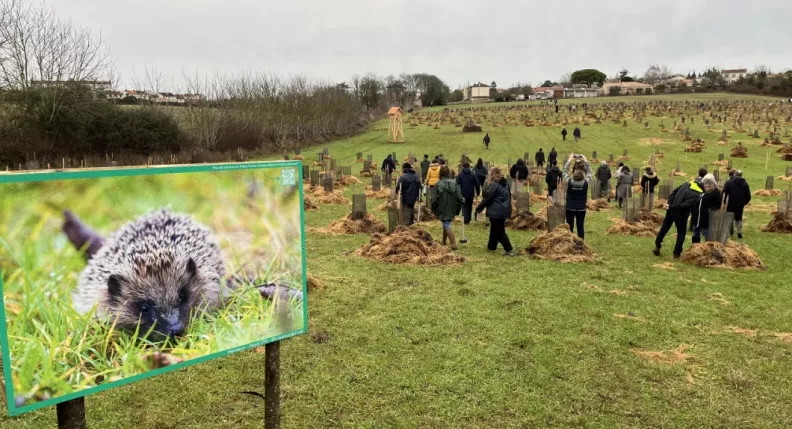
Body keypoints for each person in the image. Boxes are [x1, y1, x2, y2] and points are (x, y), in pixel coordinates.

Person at [652, 178, 704, 258]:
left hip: (671, 210)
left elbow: (674, 192)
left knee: (664, 228)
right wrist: (671, 206)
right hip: (681, 214)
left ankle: (657, 245)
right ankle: (676, 253)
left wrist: (669, 204)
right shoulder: (698, 194)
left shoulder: (686, 184)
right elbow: (686, 205)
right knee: (681, 233)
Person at [476, 167, 515, 256]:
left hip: (496, 210)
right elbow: (508, 197)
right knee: (494, 228)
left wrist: (479, 208)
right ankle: (492, 246)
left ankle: (508, 249)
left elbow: (488, 198)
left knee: (499, 231)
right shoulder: (505, 183)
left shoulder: (494, 184)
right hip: (504, 209)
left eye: (489, 174)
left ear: (492, 174)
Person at [431, 166, 464, 250]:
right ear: (448, 173)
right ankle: (444, 241)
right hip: (452, 207)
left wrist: (433, 209)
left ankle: (453, 244)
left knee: (446, 224)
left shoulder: (438, 184)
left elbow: (434, 199)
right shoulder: (454, 183)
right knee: (446, 222)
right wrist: (462, 202)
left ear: (440, 173)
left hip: (442, 207)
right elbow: (459, 196)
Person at [562, 154, 592, 239]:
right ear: (583, 176)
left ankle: (570, 241)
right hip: (581, 208)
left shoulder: (569, 182)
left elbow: (564, 172)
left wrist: (569, 160)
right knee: (580, 227)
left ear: (573, 176)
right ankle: (581, 243)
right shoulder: (585, 183)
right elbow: (590, 173)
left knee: (569, 227)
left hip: (570, 207)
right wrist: (585, 160)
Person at [692, 174, 722, 243]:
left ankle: (708, 247)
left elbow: (718, 205)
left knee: (707, 235)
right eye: (706, 185)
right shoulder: (699, 191)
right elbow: (695, 202)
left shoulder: (715, 193)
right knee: (696, 234)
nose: (707, 186)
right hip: (696, 217)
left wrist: (710, 210)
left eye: (709, 185)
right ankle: (695, 247)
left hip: (706, 218)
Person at [722, 169, 751, 239]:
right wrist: (743, 203)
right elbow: (748, 196)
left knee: (730, 217)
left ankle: (730, 232)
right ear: (741, 175)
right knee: (739, 217)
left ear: (735, 175)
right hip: (740, 204)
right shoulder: (745, 184)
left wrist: (724, 202)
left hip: (730, 203)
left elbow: (724, 193)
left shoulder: (729, 183)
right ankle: (739, 232)